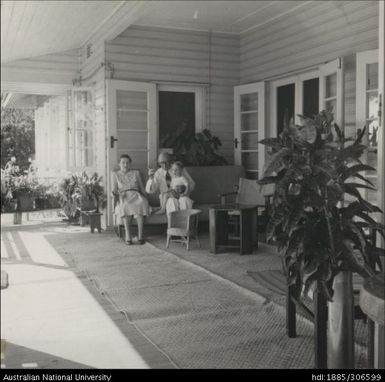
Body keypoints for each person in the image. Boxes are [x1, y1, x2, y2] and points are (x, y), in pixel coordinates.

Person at [111, 154, 149, 245]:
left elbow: (141, 188)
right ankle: (128, 236)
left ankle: (140, 235)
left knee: (142, 203)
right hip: (124, 195)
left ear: (130, 164)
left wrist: (147, 198)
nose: (125, 165)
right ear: (119, 164)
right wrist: (115, 195)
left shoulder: (136, 173)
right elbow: (114, 190)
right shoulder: (115, 174)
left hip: (136, 194)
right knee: (125, 205)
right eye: (123, 162)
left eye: (127, 163)